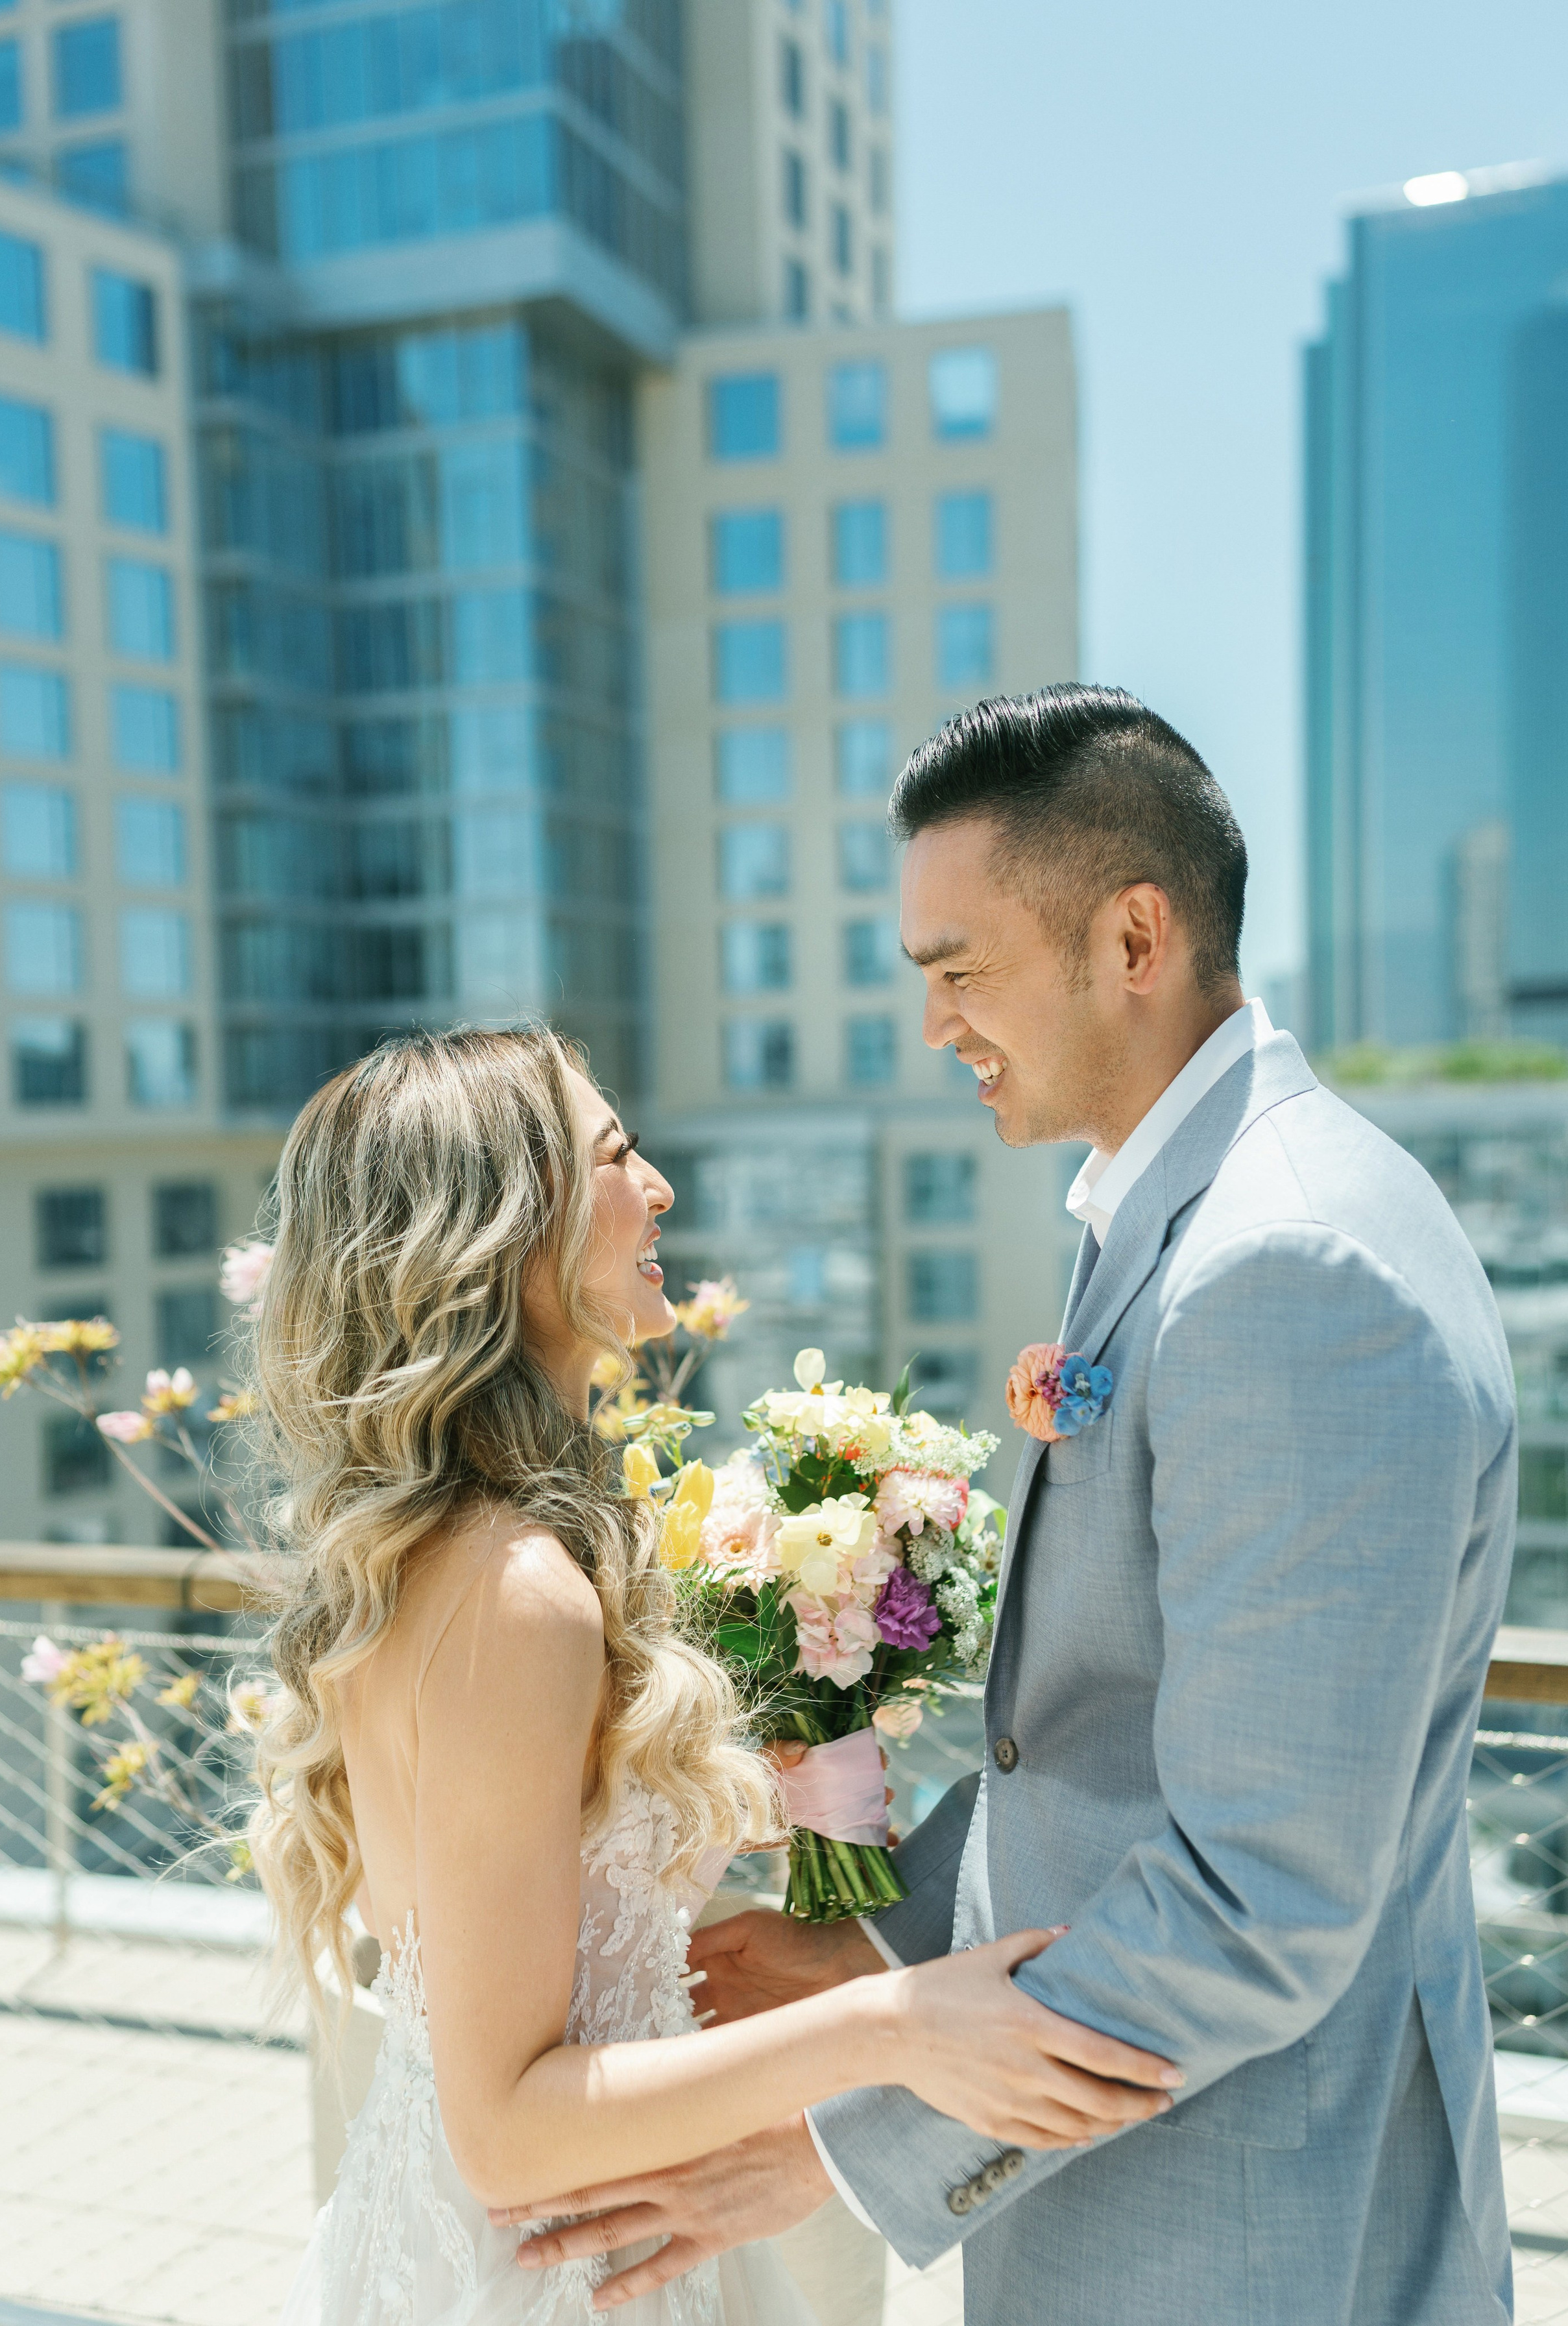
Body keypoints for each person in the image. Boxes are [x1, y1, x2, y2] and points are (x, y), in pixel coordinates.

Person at [497, 687, 1519, 2324]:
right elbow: (1106, 1753)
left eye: (958, 970)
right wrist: (870, 1940)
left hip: (1241, 2222)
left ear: (1132, 938)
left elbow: (1258, 1897)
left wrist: (838, 2145)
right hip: (1133, 2166)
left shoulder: (1284, 1264)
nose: (934, 1025)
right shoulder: (1184, 1213)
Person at [254, 1023, 1179, 2326]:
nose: (660, 1187)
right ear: (502, 1231)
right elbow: (504, 2131)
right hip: (548, 2270)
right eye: (613, 1155)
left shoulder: (472, 1554)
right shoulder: (513, 1590)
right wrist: (896, 2022)